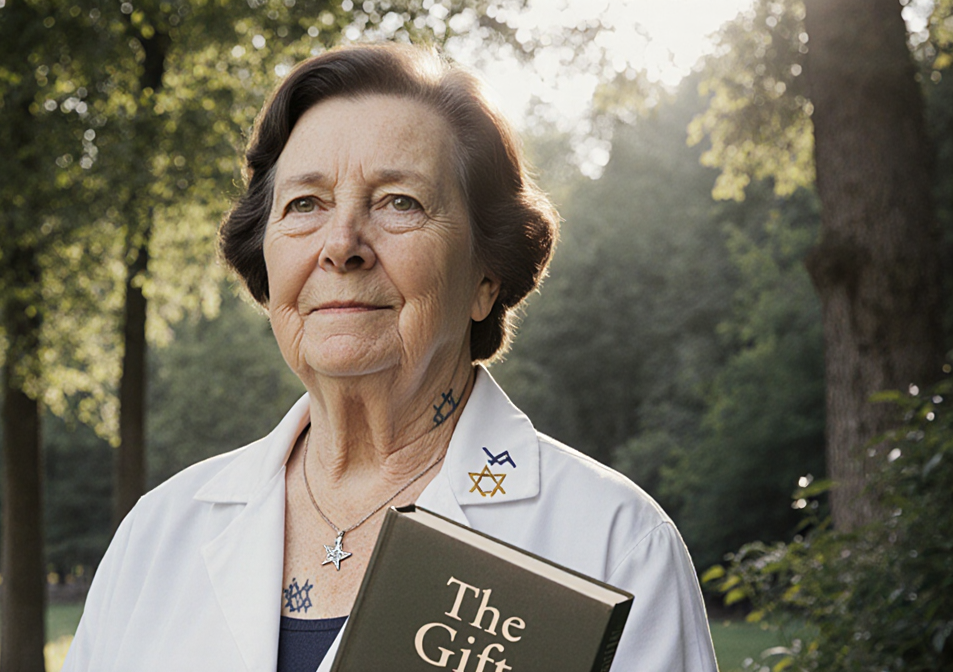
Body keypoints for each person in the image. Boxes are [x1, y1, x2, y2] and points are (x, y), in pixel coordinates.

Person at [61, 43, 718, 672]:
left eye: (398, 201)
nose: (341, 244)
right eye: (305, 205)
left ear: (486, 274)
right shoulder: (158, 534)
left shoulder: (613, 544)